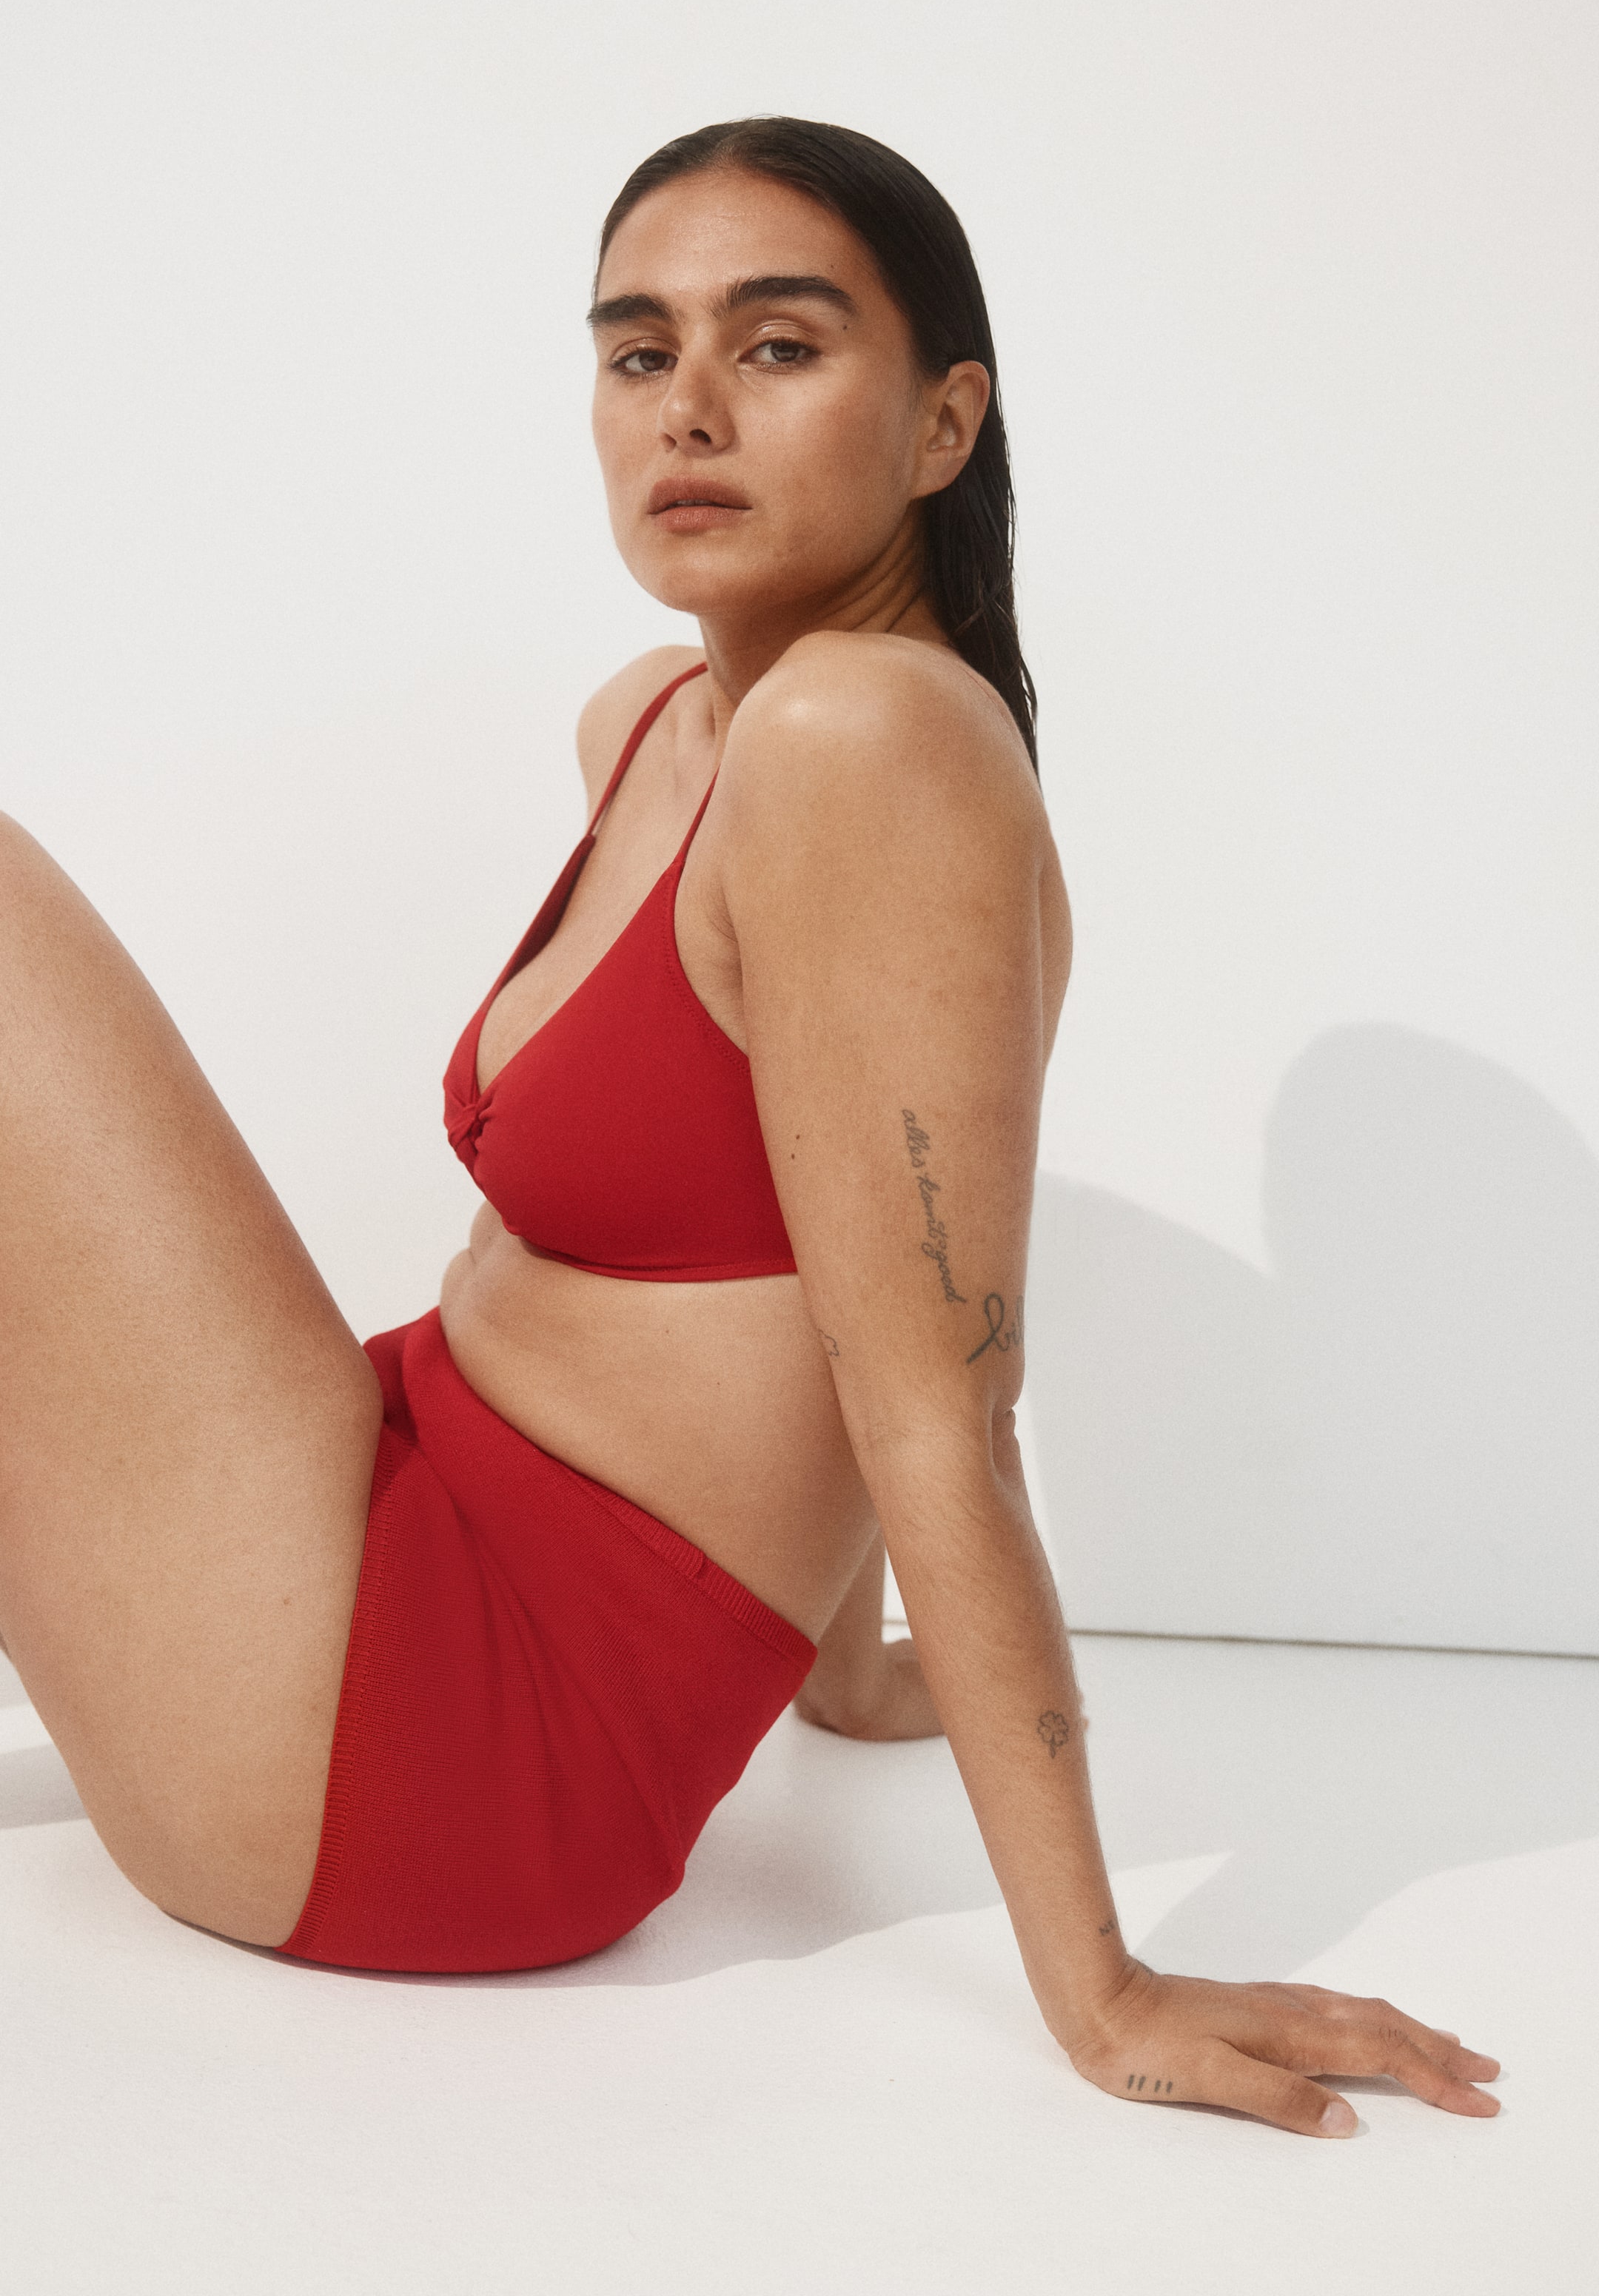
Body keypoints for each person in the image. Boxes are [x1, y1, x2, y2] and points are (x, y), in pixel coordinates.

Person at [0, 116, 1499, 2138]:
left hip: (435, 1742)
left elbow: (937, 1396)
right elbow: (818, 1212)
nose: (687, 409)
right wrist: (839, 1663)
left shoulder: (862, 736)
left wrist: (1105, 1989)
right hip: (380, 1505)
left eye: (778, 347)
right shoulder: (659, 722)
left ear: (945, 421)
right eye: (640, 352)